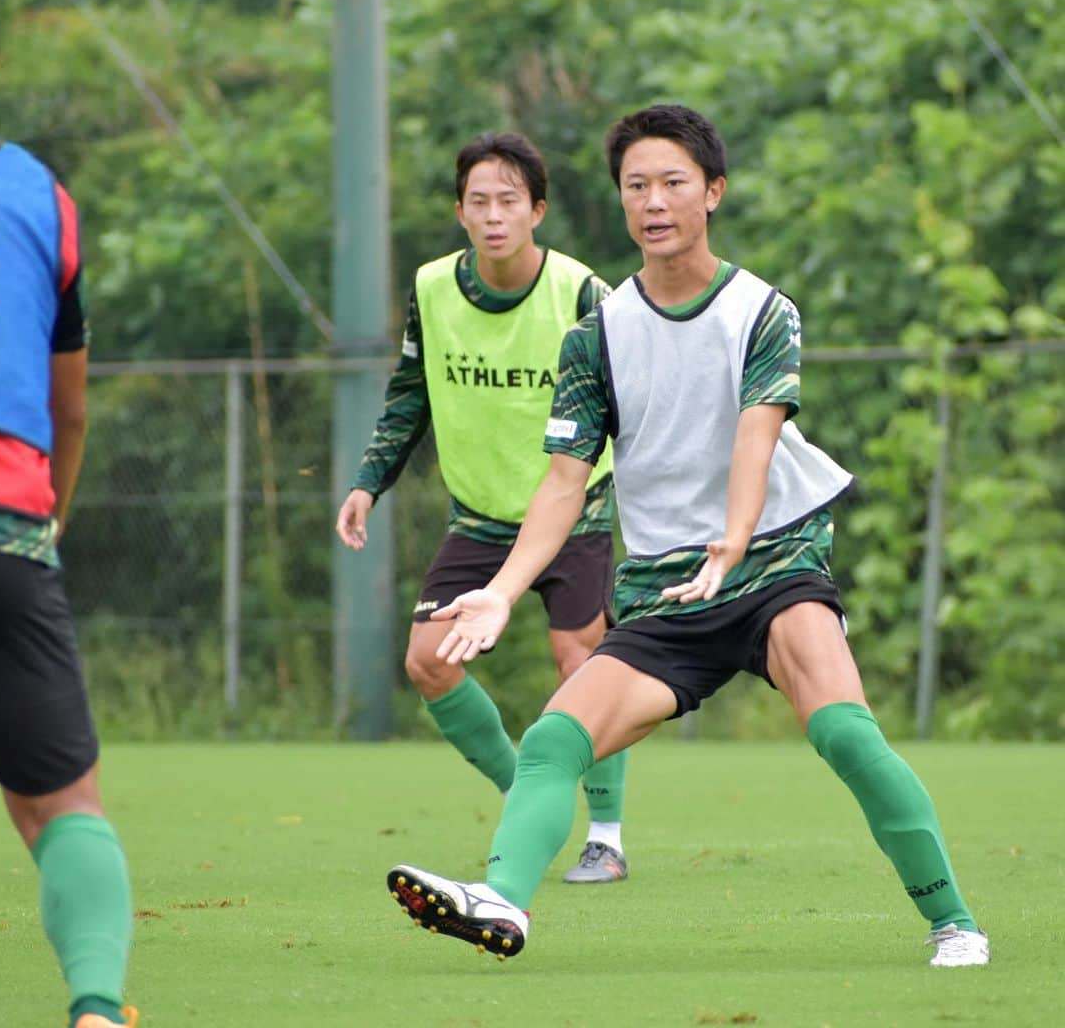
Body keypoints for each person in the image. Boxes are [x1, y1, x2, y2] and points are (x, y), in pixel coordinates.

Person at [385, 104, 990, 968]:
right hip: (666, 590)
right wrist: (502, 589)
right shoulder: (596, 335)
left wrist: (735, 543)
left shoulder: (761, 311)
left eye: (673, 182)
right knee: (558, 737)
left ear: (713, 192)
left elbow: (756, 435)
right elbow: (563, 483)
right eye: (636, 186)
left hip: (774, 563)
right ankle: (502, 902)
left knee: (846, 733)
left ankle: (955, 923)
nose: (654, 201)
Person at [336, 131, 630, 882]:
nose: (494, 215)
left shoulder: (580, 292)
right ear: (460, 213)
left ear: (537, 210)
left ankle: (606, 836)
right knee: (429, 660)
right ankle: (524, 794)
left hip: (574, 508)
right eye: (479, 202)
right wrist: (370, 479)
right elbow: (411, 394)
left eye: (509, 201)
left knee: (582, 665)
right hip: (479, 515)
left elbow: (630, 399)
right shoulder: (433, 290)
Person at [0, 139, 139, 1026]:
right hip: (7, 522)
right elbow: (69, 407)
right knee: (60, 806)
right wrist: (45, 529)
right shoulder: (39, 195)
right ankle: (94, 1009)